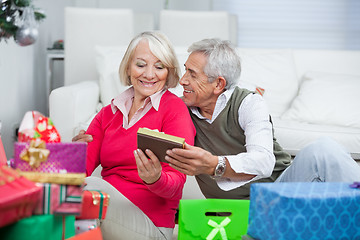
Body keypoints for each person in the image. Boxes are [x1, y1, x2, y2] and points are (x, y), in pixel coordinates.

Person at [74, 38, 360, 202]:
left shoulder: (249, 104)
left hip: (280, 190)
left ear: (218, 84)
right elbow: (138, 106)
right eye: (184, 71)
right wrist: (85, 133)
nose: (182, 80)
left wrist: (215, 164)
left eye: (192, 75)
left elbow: (263, 161)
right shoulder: (180, 108)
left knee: (324, 150)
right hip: (239, 208)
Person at [81, 31, 196, 240]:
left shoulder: (174, 110)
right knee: (72, 189)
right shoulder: (109, 112)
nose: (150, 74)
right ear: (128, 67)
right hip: (109, 216)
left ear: (168, 72)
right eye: (141, 65)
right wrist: (73, 154)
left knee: (90, 189)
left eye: (159, 67)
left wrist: (156, 179)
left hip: (152, 226)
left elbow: (177, 182)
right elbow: (78, 174)